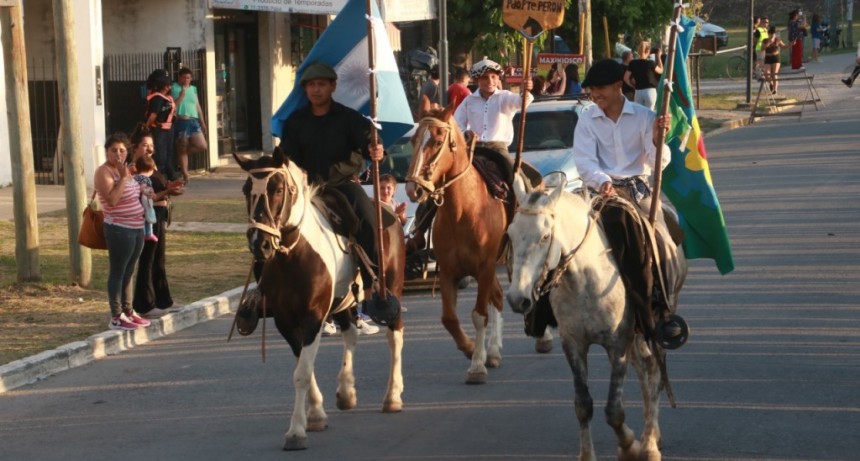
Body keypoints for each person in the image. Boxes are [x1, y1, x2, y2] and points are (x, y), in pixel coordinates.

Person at [571, 59, 685, 345]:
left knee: (661, 238)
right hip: (603, 192)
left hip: (638, 190)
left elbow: (656, 160)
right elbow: (584, 161)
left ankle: (663, 302)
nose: (595, 95)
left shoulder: (646, 117)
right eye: (591, 89)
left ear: (617, 86)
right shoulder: (587, 119)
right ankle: (557, 310)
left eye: (600, 89)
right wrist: (602, 181)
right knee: (568, 239)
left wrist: (659, 141)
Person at [279, 62, 384, 333]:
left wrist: (376, 149)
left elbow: (369, 143)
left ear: (333, 86)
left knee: (369, 218)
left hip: (342, 185)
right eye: (311, 85)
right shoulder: (295, 121)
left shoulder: (349, 118)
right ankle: (265, 290)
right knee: (269, 224)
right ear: (305, 89)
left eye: (321, 84)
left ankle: (373, 285)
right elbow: (286, 157)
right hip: (305, 188)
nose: (316, 89)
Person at [93, 133, 151, 331]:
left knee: (129, 271)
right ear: (107, 152)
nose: (118, 154)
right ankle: (116, 316)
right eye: (113, 150)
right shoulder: (104, 172)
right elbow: (112, 200)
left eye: (122, 150)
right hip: (119, 228)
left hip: (137, 227)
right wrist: (124, 179)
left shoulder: (126, 170)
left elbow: (135, 196)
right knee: (118, 272)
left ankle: (128, 311)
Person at [129, 123, 186, 318]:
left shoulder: (151, 165)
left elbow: (161, 187)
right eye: (145, 145)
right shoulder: (134, 169)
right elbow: (145, 195)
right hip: (146, 218)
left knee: (158, 260)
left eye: (151, 145)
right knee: (147, 259)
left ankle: (163, 300)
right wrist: (167, 191)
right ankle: (144, 303)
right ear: (135, 147)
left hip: (159, 215)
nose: (149, 149)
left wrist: (172, 188)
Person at [453, 58, 533, 157]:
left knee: (511, 170)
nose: (490, 81)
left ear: (498, 78)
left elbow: (522, 102)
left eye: (493, 77)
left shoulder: (505, 97)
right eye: (485, 77)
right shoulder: (469, 101)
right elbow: (456, 123)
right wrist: (466, 134)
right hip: (475, 149)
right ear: (477, 80)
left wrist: (525, 90)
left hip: (498, 149)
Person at [171, 67, 208, 183]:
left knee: (202, 145)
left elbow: (197, 105)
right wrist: (181, 96)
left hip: (193, 120)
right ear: (179, 77)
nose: (186, 80)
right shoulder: (174, 88)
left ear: (191, 79)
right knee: (182, 145)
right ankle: (185, 173)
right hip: (181, 120)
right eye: (183, 77)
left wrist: (202, 121)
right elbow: (173, 105)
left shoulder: (193, 89)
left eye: (188, 78)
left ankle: (182, 154)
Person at [145, 70, 177, 180]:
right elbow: (153, 115)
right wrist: (146, 128)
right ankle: (160, 179)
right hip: (159, 130)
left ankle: (171, 177)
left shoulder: (167, 97)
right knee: (160, 156)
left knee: (168, 154)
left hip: (168, 130)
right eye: (166, 85)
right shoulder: (157, 97)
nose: (169, 87)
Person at [624, 41, 663, 110]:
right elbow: (661, 71)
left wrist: (633, 86)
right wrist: (658, 56)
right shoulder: (651, 63)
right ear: (648, 51)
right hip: (650, 91)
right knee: (649, 114)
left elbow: (626, 78)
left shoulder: (633, 63)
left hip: (638, 91)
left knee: (639, 114)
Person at [133, 155, 159, 243]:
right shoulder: (145, 178)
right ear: (150, 169)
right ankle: (147, 234)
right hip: (143, 202)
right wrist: (152, 194)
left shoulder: (134, 177)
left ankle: (143, 233)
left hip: (135, 202)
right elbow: (143, 188)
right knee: (147, 218)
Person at [764, 26, 790, 94]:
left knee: (774, 74)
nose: (772, 35)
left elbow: (784, 46)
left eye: (774, 34)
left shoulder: (777, 40)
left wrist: (790, 44)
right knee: (767, 74)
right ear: (768, 34)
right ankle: (771, 84)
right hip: (768, 57)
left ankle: (775, 89)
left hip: (775, 57)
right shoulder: (765, 40)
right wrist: (769, 42)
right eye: (771, 34)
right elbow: (762, 48)